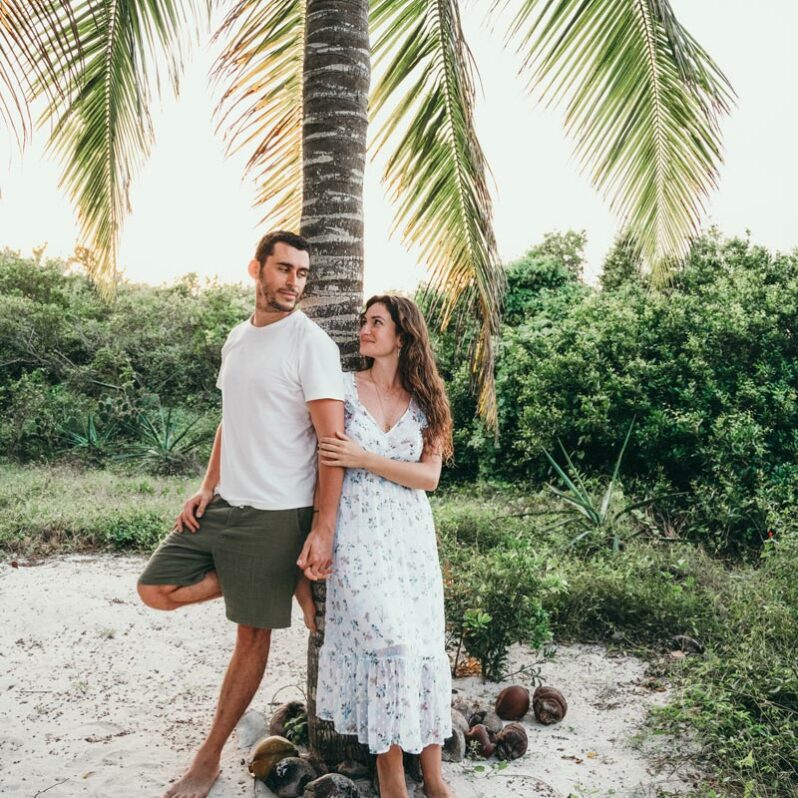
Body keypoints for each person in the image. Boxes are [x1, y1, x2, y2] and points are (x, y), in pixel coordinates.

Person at [136, 231, 345, 798]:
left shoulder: (311, 345)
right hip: (227, 504)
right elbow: (231, 420)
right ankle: (272, 581)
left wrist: (321, 528)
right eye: (283, 269)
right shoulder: (237, 338)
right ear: (257, 268)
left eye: (302, 273)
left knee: (250, 637)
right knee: (154, 588)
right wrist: (206, 487)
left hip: (278, 514)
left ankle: (206, 760)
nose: (293, 282)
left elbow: (333, 443)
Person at [315, 295, 455, 798]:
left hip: (412, 539)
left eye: (377, 322)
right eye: (364, 321)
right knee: (389, 644)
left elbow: (429, 477)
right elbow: (329, 458)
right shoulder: (344, 391)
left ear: (403, 335)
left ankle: (436, 780)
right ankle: (392, 784)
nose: (366, 329)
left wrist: (365, 457)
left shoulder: (427, 401)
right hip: (358, 532)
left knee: (420, 645)